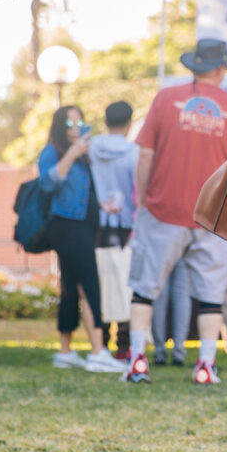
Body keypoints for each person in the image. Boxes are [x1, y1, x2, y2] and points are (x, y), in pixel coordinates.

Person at [120, 39, 227, 385]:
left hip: (163, 209)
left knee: (145, 288)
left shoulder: (165, 99)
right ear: (221, 68)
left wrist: (143, 199)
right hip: (212, 216)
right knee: (210, 294)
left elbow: (144, 154)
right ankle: (205, 365)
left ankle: (137, 361)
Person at [39, 106, 128, 374]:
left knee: (70, 286)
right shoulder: (53, 151)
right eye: (69, 121)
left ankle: (65, 351)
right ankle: (98, 351)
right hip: (66, 226)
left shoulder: (85, 155)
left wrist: (104, 205)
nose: (75, 126)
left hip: (86, 225)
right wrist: (74, 153)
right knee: (90, 284)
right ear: (59, 125)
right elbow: (48, 183)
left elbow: (85, 192)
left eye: (80, 121)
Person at [88, 100, 139, 357]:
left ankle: (102, 341)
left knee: (101, 282)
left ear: (105, 121)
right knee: (127, 284)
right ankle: (124, 344)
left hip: (96, 226)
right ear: (129, 122)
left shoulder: (92, 147)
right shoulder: (134, 152)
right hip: (126, 227)